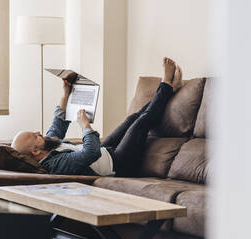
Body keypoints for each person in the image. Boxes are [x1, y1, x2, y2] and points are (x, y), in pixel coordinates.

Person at [11, 57, 183, 177]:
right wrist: (85, 126)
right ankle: (166, 85)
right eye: (35, 136)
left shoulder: (47, 146)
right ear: (35, 151)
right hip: (119, 164)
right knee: (140, 124)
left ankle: (168, 91)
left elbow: (58, 125)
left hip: (106, 152)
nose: (38, 132)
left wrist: (66, 94)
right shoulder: (55, 164)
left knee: (132, 119)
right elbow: (90, 153)